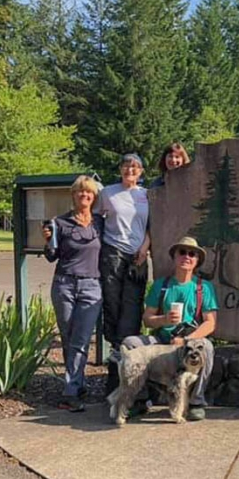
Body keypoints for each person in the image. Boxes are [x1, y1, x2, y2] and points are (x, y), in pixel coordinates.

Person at [122, 236, 217, 421]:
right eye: (182, 252)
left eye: (192, 254)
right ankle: (139, 399)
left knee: (206, 347)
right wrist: (164, 319)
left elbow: (210, 323)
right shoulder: (161, 285)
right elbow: (147, 320)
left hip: (189, 342)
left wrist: (187, 340)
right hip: (163, 340)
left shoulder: (203, 288)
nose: (187, 256)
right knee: (131, 343)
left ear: (197, 261)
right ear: (174, 257)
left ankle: (196, 402)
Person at [42, 176, 104, 412]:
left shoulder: (100, 223)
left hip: (92, 286)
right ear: (73, 195)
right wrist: (47, 240)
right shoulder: (60, 222)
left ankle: (70, 392)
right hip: (64, 284)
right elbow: (51, 256)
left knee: (82, 338)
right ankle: (76, 384)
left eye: (89, 192)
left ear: (94, 197)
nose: (84, 196)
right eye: (80, 192)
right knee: (69, 337)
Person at [99, 153, 151, 395]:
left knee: (132, 308)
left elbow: (152, 226)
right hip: (113, 252)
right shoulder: (107, 192)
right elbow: (96, 219)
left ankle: (128, 363)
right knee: (112, 306)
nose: (130, 170)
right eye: (126, 166)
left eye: (135, 167)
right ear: (120, 169)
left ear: (141, 171)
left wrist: (145, 248)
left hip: (137, 255)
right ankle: (113, 369)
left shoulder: (146, 195)